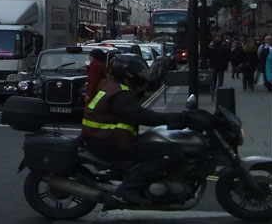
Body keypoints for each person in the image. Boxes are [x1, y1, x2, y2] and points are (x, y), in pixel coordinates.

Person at [81, 54, 211, 205]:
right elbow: (141, 116)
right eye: (139, 72)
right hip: (108, 141)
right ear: (127, 74)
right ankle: (129, 189)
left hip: (105, 138)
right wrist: (173, 118)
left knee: (155, 143)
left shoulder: (115, 87)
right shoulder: (120, 94)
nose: (142, 75)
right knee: (168, 153)